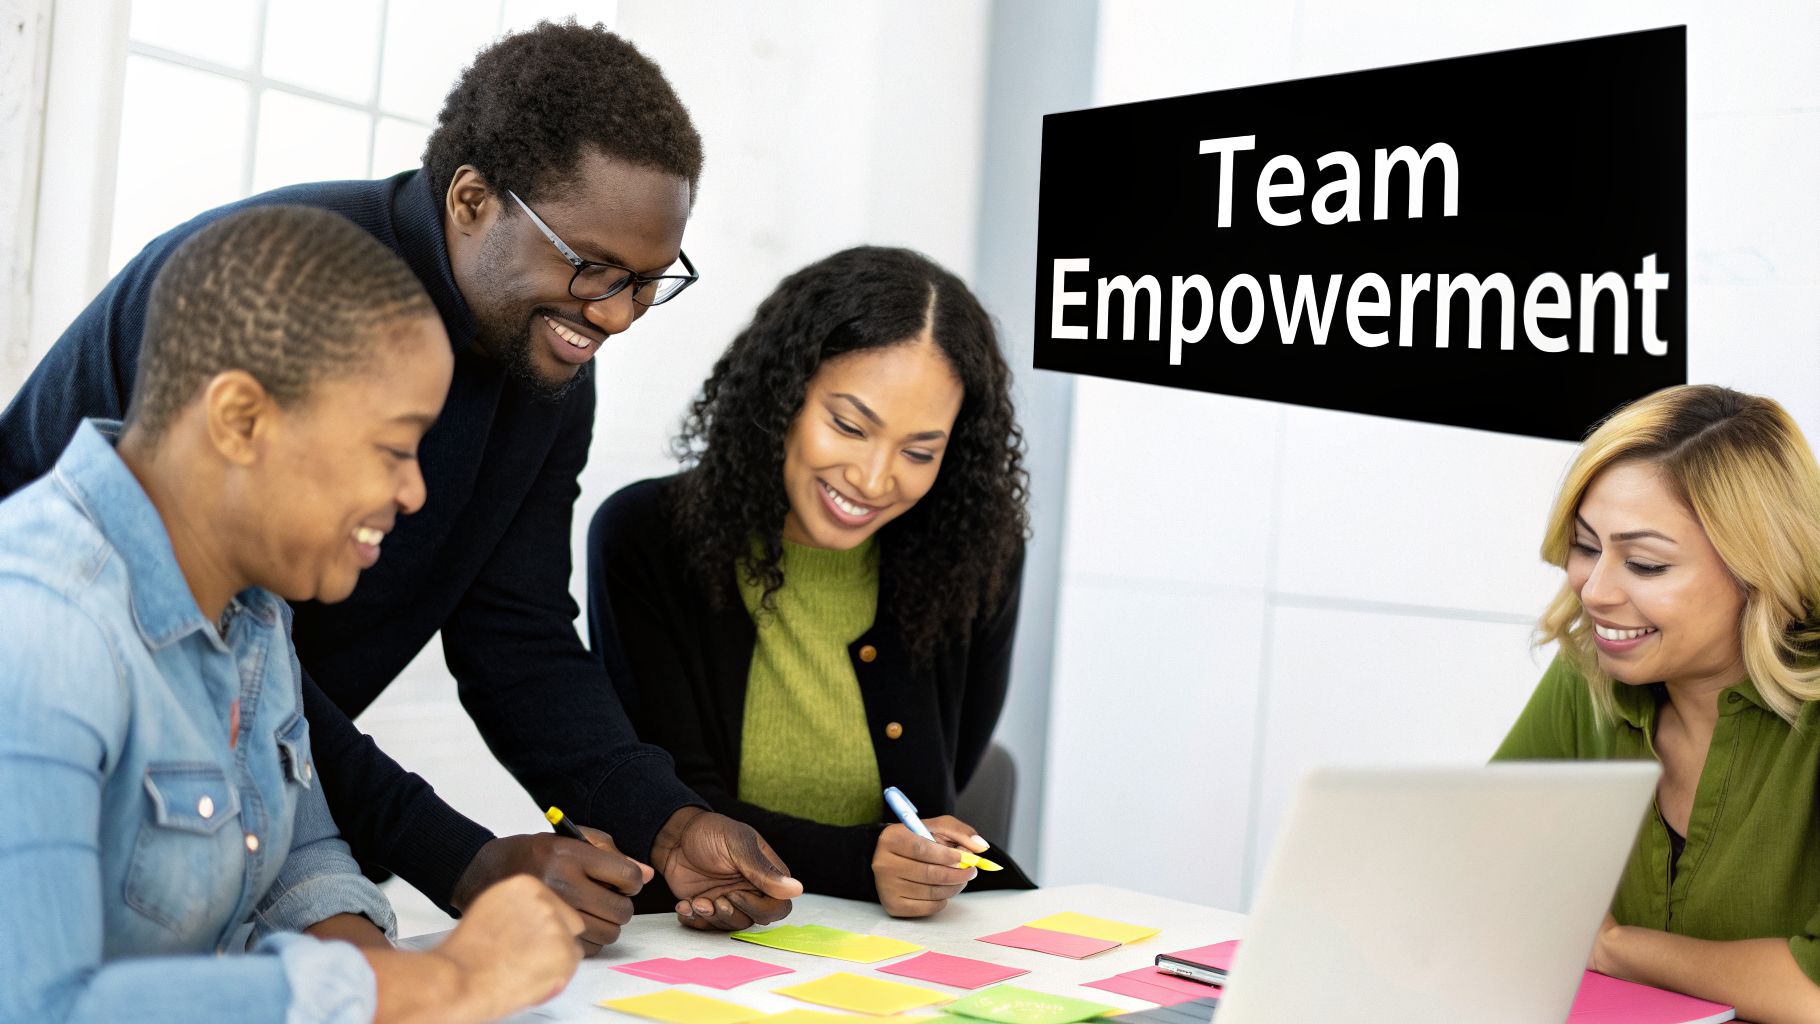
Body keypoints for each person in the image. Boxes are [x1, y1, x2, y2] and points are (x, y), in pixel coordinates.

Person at [0, 21, 801, 945]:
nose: (617, 316)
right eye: (593, 268)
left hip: (241, 821)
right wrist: (455, 857)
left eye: (649, 283)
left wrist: (665, 821)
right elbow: (215, 653)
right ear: (471, 200)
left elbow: (509, 633)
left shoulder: (545, 360)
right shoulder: (269, 296)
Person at [0, 206, 592, 1023]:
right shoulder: (38, 628)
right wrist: (441, 983)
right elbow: (40, 1007)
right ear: (240, 420)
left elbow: (294, 861)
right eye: (393, 449)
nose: (415, 492)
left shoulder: (253, 609)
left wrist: (404, 991)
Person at [586, 246, 1036, 917]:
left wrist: (911, 861)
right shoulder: (647, 536)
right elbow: (672, 806)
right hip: (708, 937)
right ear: (783, 395)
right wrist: (861, 862)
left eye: (920, 451)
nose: (875, 478)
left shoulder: (975, 557)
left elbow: (946, 775)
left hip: (904, 949)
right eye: (850, 426)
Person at [1493, 384, 1820, 1022]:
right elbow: (1488, 864)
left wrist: (1616, 949)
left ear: (1761, 570)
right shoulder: (1589, 673)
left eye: (1644, 564)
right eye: (1587, 547)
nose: (1594, 592)